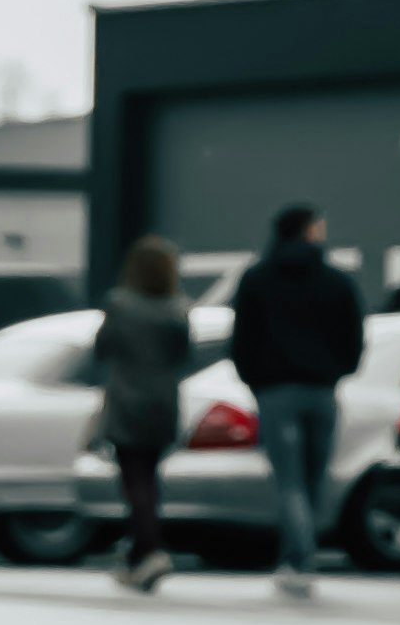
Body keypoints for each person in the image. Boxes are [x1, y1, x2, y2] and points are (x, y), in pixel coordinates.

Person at [227, 203, 366, 600]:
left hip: (276, 391)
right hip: (322, 391)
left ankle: (297, 558)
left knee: (288, 482)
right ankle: (299, 556)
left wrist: (255, 379)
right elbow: (354, 336)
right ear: (307, 231)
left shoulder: (257, 279)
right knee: (312, 479)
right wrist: (338, 370)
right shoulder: (336, 280)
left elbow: (242, 339)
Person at [89, 232, 197, 592]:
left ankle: (151, 550)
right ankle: (138, 558)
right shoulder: (178, 308)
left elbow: (101, 349)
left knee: (134, 481)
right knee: (149, 479)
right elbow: (186, 357)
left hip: (126, 400)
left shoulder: (120, 305)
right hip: (163, 402)